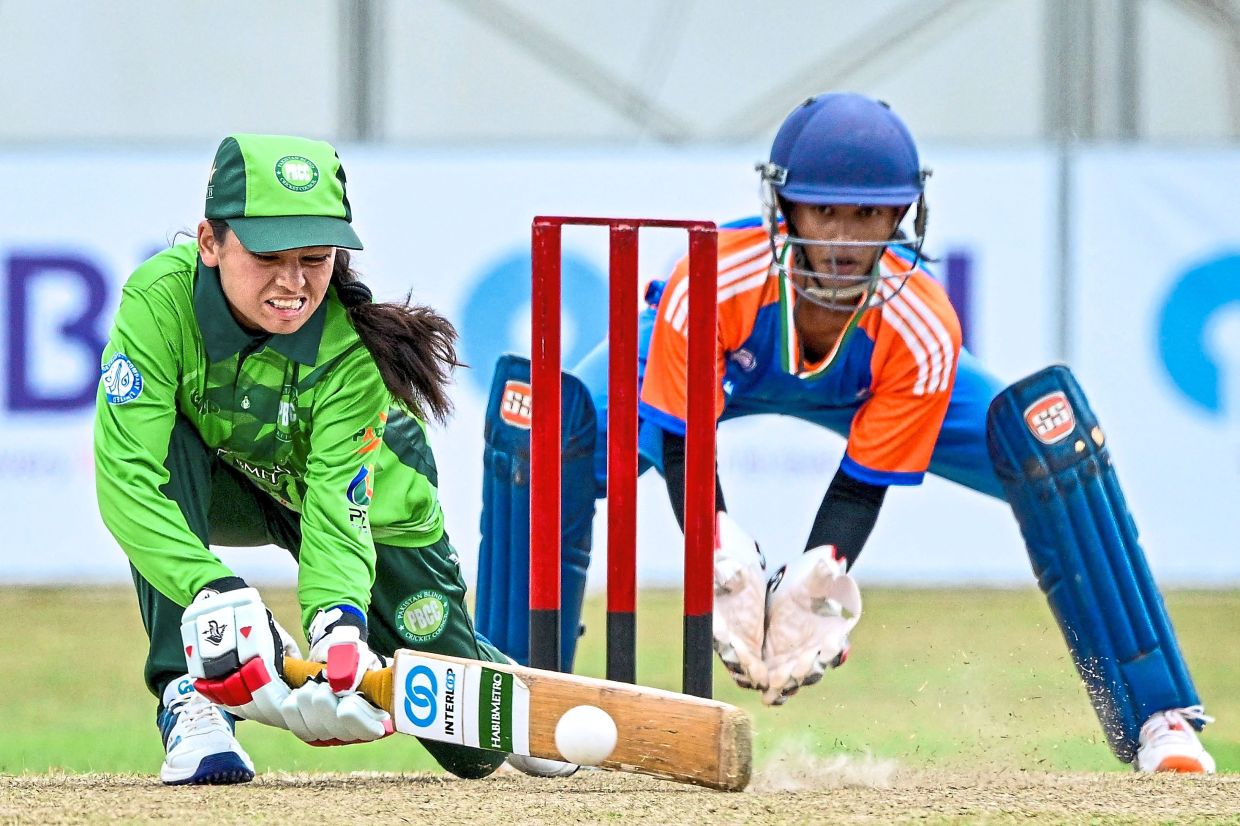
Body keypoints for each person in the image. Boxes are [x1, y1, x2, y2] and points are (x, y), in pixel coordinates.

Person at [475, 93, 1216, 773]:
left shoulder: (922, 323)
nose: (841, 241)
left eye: (869, 216)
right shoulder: (711, 281)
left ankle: (1161, 717)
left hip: (864, 378)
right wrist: (721, 548)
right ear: (782, 205)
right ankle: (515, 700)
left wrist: (814, 576)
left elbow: (863, 482)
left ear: (904, 217)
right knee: (539, 419)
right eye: (822, 211)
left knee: (1051, 438)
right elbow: (681, 440)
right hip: (703, 360)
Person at [94, 133, 567, 785]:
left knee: (475, 752)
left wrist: (337, 629)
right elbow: (128, 478)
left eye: (314, 257)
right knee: (164, 458)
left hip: (374, 519)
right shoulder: (160, 301)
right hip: (237, 482)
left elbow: (337, 512)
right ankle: (193, 700)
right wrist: (218, 592)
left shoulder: (351, 356)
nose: (293, 283)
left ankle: (492, 670)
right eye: (267, 255)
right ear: (210, 243)